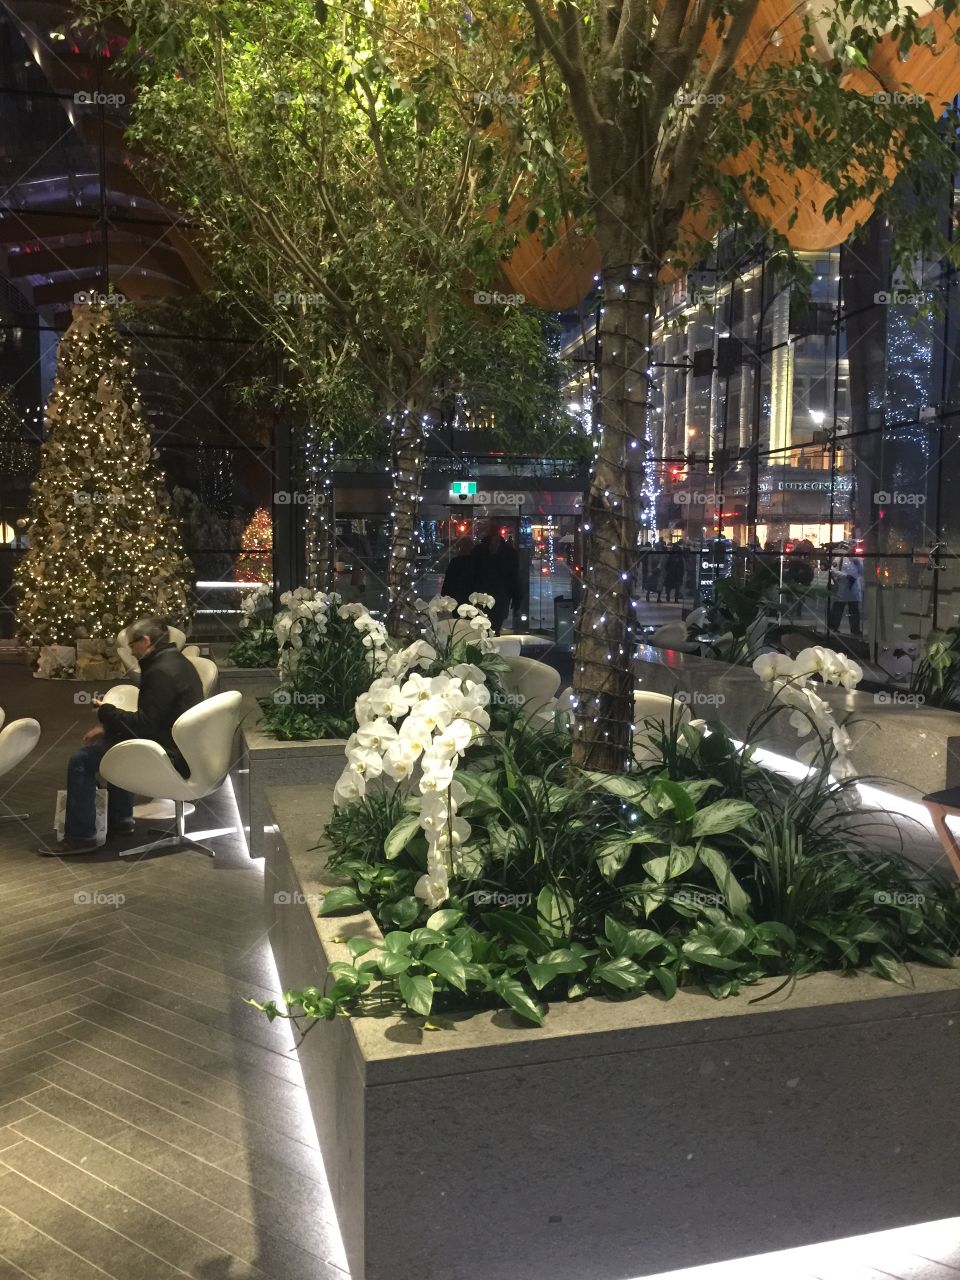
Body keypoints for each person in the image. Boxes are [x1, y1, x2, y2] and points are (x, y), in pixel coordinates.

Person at [39, 617, 204, 856]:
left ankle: (81, 837)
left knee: (81, 761)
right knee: (116, 746)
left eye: (132, 645)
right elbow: (155, 719)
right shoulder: (177, 663)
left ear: (146, 641)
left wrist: (106, 712)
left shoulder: (159, 672)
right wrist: (110, 729)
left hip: (169, 754)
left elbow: (145, 726)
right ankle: (121, 820)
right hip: (180, 746)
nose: (131, 651)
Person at [471, 520, 521, 634]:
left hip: (482, 594)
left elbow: (472, 574)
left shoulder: (478, 551)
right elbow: (514, 577)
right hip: (501, 596)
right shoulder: (509, 552)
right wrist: (517, 598)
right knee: (495, 626)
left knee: (481, 627)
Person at [828, 544, 863, 637]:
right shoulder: (839, 559)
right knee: (838, 609)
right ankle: (833, 627)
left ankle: (855, 630)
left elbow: (862, 571)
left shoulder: (857, 559)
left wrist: (858, 564)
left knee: (854, 611)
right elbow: (832, 570)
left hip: (854, 589)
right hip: (842, 588)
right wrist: (845, 576)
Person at [441, 536, 477, 606]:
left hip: (457, 598)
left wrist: (445, 596)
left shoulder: (455, 562)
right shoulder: (476, 562)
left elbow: (448, 581)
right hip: (473, 599)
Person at [644, 539, 666, 603]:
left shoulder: (661, 554)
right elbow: (649, 562)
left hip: (659, 571)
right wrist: (650, 570)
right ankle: (648, 595)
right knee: (651, 584)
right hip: (653, 571)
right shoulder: (652, 553)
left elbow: (662, 562)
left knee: (659, 585)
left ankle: (658, 598)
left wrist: (659, 568)